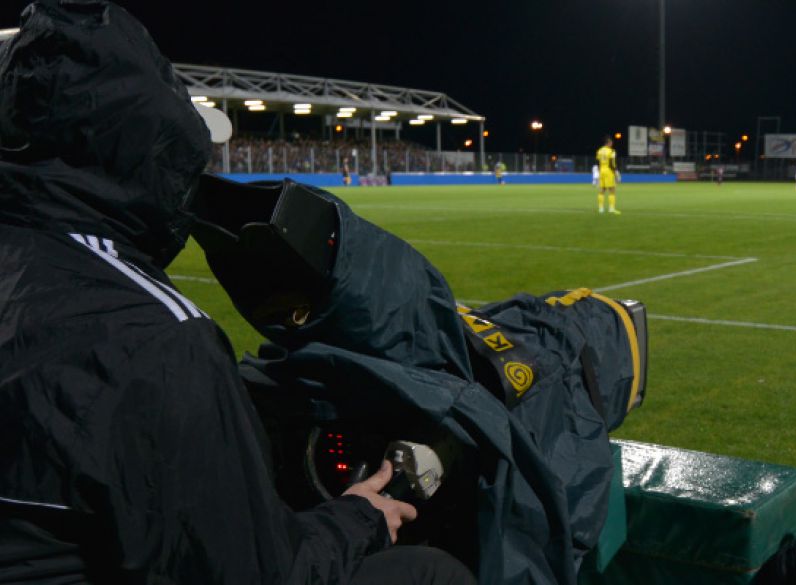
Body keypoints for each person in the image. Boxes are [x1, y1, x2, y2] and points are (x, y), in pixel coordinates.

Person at [0, 3, 473, 584]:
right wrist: (360, 517)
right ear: (158, 152)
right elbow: (256, 572)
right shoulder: (157, 340)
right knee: (430, 572)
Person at [596, 136, 620, 214]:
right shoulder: (611, 151)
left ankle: (601, 209)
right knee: (612, 190)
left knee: (602, 190)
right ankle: (611, 209)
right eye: (611, 143)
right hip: (609, 171)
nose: (612, 144)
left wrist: (599, 172)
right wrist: (616, 173)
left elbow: (598, 163)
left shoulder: (599, 151)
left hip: (601, 171)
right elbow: (612, 164)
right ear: (609, 143)